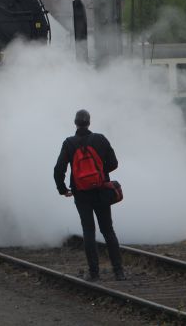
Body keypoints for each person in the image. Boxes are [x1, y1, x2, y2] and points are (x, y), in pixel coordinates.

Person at [54, 109, 125, 281]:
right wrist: (100, 173)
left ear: (75, 123)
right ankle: (119, 272)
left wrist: (63, 190)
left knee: (88, 231)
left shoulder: (69, 143)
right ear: (89, 122)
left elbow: (58, 170)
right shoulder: (100, 139)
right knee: (108, 230)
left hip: (81, 194)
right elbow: (114, 163)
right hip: (102, 190)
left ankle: (94, 273)